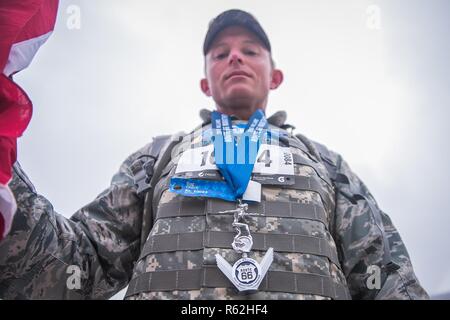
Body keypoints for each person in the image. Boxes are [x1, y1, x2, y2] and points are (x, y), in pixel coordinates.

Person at [0, 9, 429, 300]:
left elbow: (386, 277)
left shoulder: (327, 165)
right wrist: (8, 192)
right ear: (206, 82)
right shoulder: (156, 157)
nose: (235, 58)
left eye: (250, 51)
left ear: (274, 75)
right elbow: (76, 268)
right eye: (220, 54)